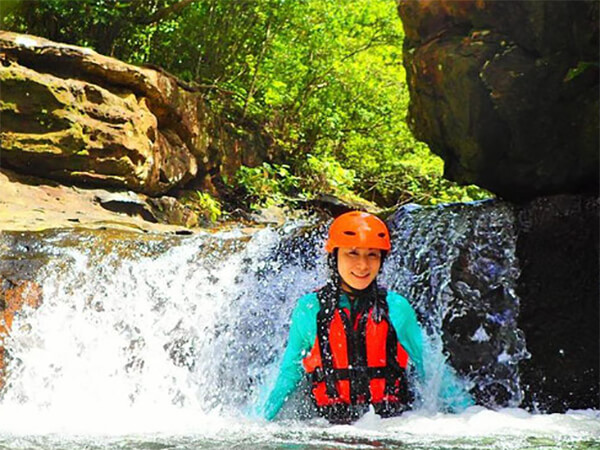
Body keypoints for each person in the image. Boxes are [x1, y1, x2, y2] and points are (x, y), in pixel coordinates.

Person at [258, 211, 473, 423]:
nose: (363, 265)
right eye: (352, 253)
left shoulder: (396, 308)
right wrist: (257, 421)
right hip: (329, 429)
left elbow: (431, 367)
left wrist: (470, 415)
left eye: (372, 255)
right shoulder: (310, 309)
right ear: (334, 257)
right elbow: (288, 373)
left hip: (389, 426)